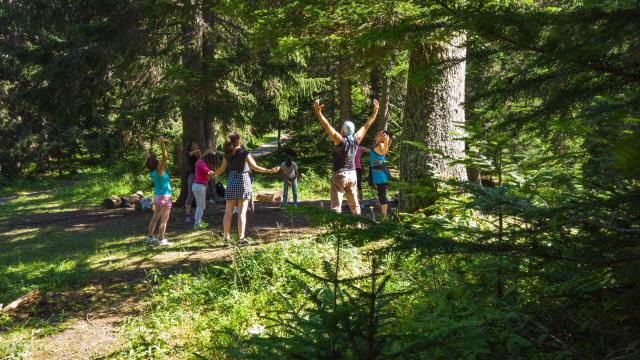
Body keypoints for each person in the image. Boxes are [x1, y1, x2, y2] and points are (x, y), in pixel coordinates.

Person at [313, 98, 379, 215]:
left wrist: (318, 112)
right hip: (352, 175)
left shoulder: (339, 140)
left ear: (343, 129)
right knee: (355, 205)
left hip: (339, 175)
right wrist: (375, 111)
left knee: (336, 206)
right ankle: (358, 225)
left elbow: (327, 126)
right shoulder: (356, 139)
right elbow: (366, 125)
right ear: (352, 131)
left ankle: (336, 228)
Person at [211, 133, 279, 245]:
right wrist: (269, 170)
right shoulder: (244, 153)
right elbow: (255, 167)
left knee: (228, 212)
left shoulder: (227, 155)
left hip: (232, 182)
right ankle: (241, 239)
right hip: (243, 182)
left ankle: (226, 238)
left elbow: (221, 169)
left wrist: (212, 174)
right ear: (239, 141)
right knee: (241, 213)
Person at [141, 136, 173, 246]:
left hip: (157, 196)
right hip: (165, 197)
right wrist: (162, 143)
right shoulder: (159, 170)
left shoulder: (152, 170)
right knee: (164, 219)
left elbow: (148, 156)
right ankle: (161, 239)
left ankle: (150, 237)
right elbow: (165, 157)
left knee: (155, 217)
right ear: (156, 163)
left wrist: (142, 144)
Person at [369, 130, 392, 219]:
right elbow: (373, 152)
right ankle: (384, 216)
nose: (377, 134)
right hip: (378, 174)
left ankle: (384, 218)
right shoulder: (376, 145)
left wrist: (386, 141)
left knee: (382, 196)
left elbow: (384, 152)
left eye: (379, 134)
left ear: (383, 137)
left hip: (381, 175)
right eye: (377, 133)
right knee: (381, 195)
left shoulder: (381, 145)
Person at [192, 152, 217, 230]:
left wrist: (211, 175)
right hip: (199, 187)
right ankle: (197, 224)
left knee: (201, 206)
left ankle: (199, 221)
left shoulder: (201, 163)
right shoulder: (201, 163)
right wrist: (216, 173)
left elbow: (207, 177)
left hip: (199, 186)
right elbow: (208, 172)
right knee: (201, 206)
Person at [185, 142, 201, 222]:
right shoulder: (189, 153)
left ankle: (199, 215)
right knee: (190, 195)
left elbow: (201, 159)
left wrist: (199, 152)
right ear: (191, 147)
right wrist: (197, 150)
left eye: (196, 144)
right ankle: (188, 215)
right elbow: (190, 154)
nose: (196, 145)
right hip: (192, 176)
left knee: (200, 195)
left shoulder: (197, 154)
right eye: (194, 144)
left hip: (199, 176)